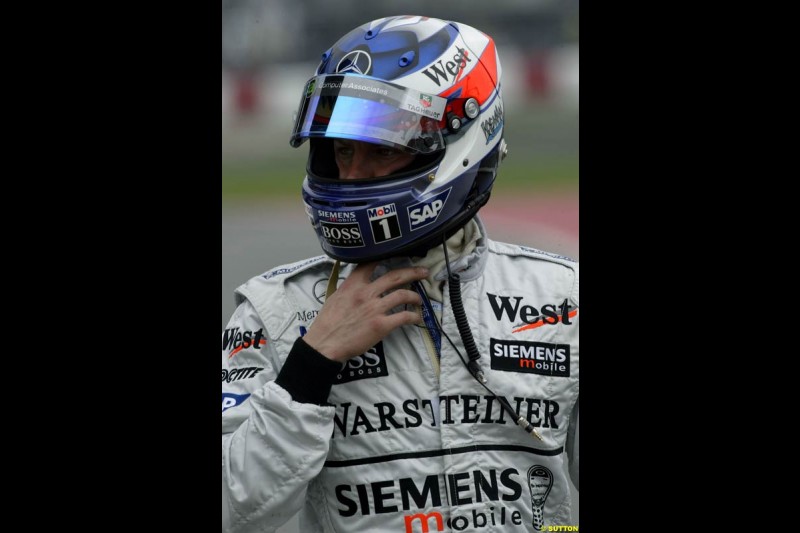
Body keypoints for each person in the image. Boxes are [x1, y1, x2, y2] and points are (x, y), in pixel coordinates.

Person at [222, 15, 579, 533]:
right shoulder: (272, 311)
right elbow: (235, 510)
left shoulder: (563, 299)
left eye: (383, 149)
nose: (352, 174)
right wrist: (310, 366)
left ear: (463, 142)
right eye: (343, 150)